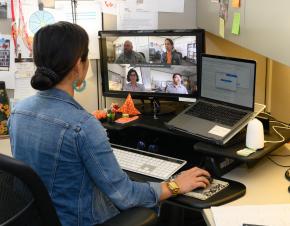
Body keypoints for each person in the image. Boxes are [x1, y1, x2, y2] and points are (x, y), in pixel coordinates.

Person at [8, 22, 210, 226]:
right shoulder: (83, 126)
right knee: (159, 203)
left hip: (41, 219)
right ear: (79, 65)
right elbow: (126, 196)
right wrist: (175, 185)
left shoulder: (17, 113)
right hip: (84, 221)